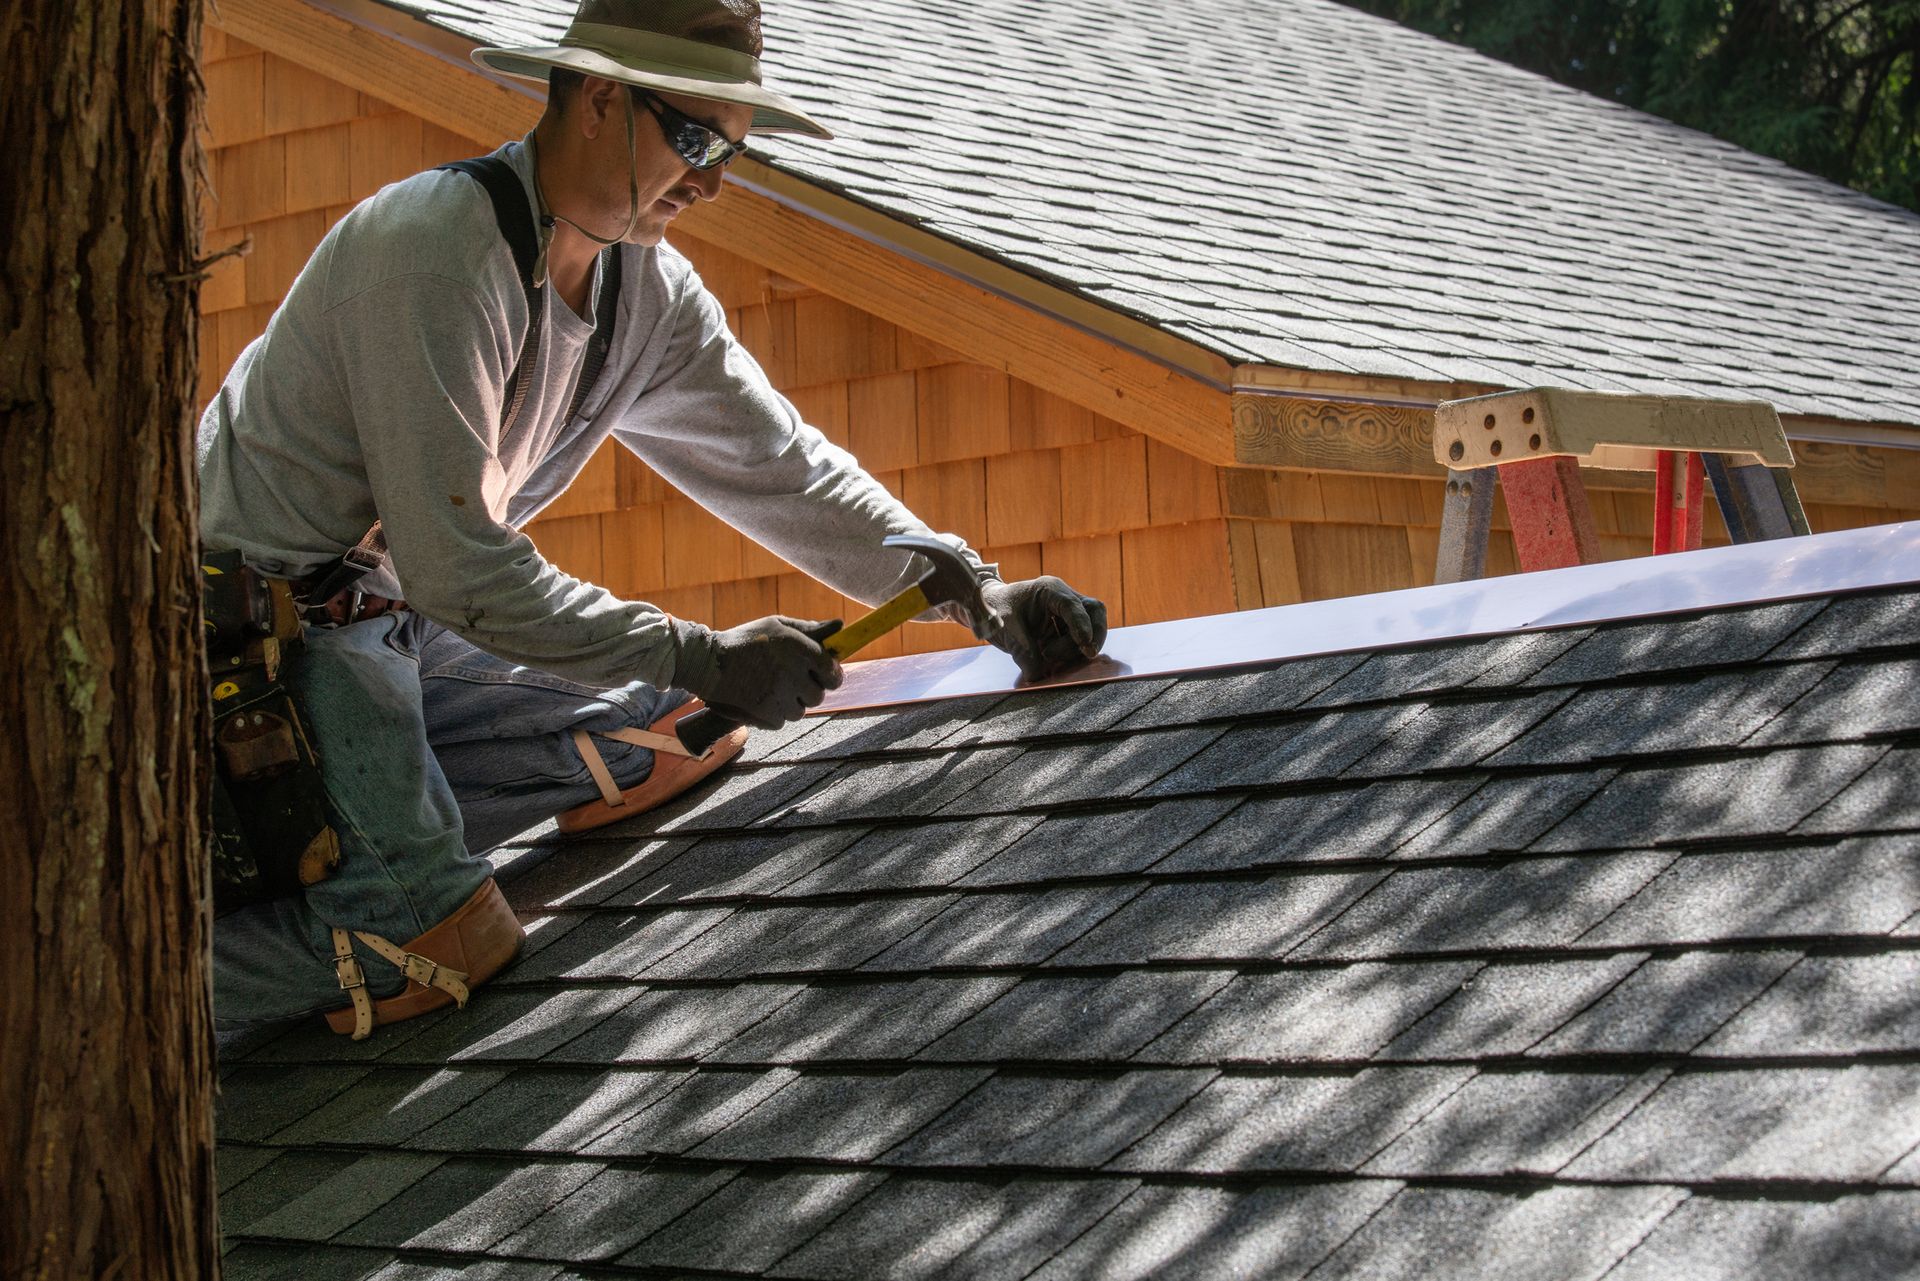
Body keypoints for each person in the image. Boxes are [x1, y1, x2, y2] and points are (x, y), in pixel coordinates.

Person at [197, 0, 1108, 1038]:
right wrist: (701, 652)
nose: (715, 178)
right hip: (244, 655)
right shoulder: (434, 252)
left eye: (733, 149)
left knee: (667, 735)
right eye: (695, 139)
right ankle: (80, 983)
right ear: (597, 99)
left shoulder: (649, 293)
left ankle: (374, 819)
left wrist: (977, 595)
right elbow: (461, 568)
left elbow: (786, 467)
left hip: (396, 630)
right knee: (435, 940)